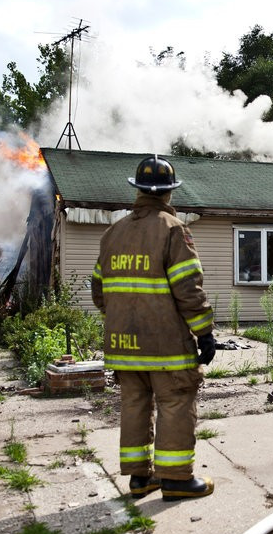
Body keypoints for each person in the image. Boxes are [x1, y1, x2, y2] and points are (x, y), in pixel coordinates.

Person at [91, 155, 217, 500]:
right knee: (175, 401)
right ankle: (176, 479)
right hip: (165, 344)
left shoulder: (112, 233)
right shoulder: (173, 230)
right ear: (168, 193)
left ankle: (139, 478)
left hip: (122, 344)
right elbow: (188, 288)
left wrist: (121, 317)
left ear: (138, 191)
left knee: (134, 403)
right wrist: (204, 332)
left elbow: (99, 291)